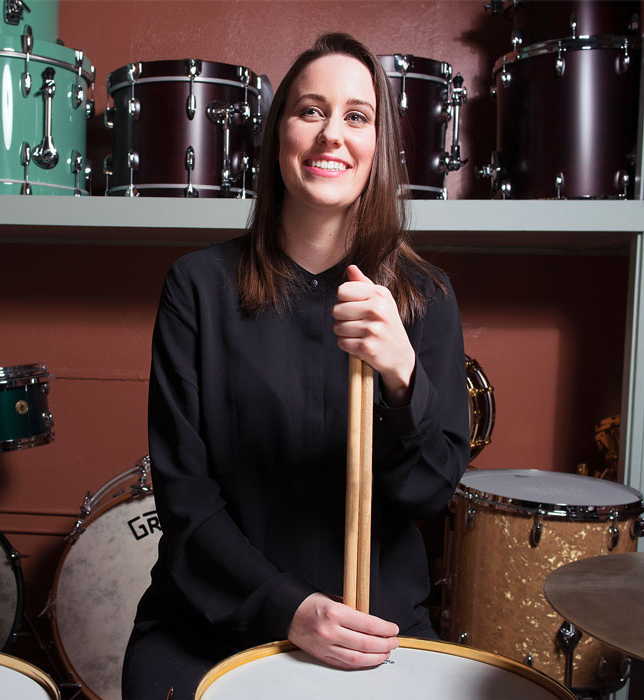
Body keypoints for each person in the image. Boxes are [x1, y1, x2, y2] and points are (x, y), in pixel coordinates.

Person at [122, 32, 470, 699]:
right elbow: (187, 501)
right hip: (214, 618)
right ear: (279, 133)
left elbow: (426, 494)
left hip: (374, 627)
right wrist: (287, 608)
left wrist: (403, 379)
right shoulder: (197, 287)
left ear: (378, 148)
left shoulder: (425, 298)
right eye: (310, 111)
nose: (331, 135)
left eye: (357, 116)